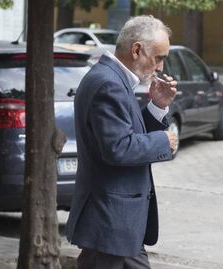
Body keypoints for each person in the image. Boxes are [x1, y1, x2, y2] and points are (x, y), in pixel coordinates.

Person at [66, 15, 179, 268]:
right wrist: (163, 140)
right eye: (158, 58)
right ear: (137, 50)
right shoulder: (109, 83)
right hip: (110, 223)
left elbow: (125, 134)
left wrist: (158, 106)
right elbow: (118, 148)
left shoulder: (112, 78)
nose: (160, 67)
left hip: (117, 225)